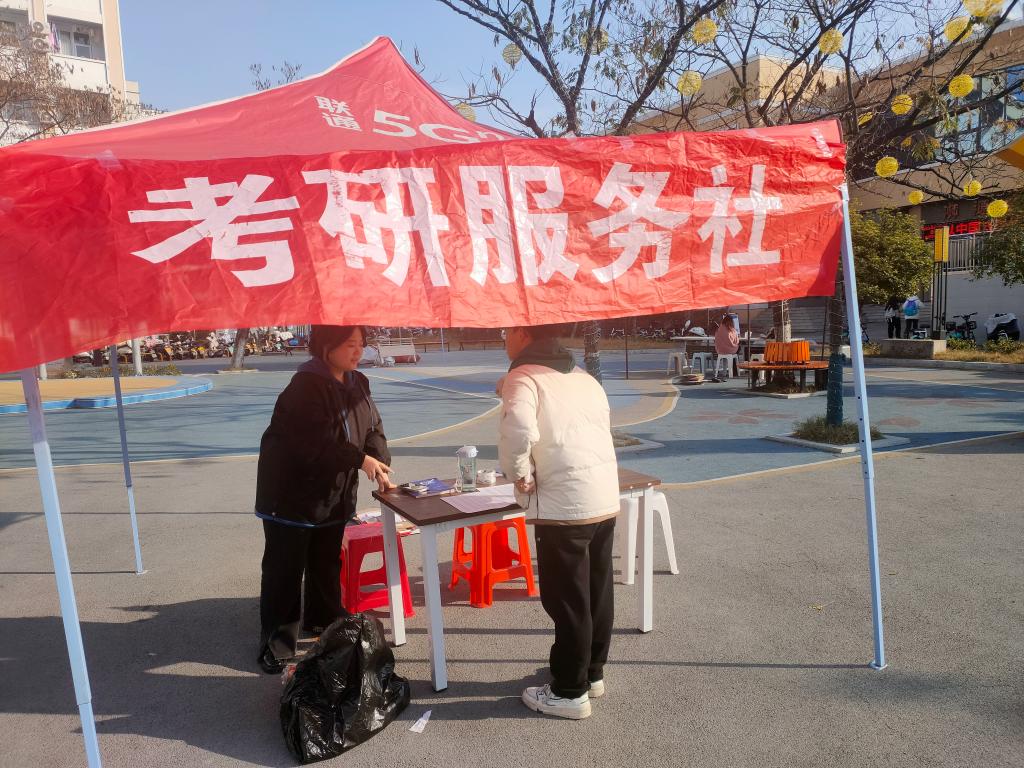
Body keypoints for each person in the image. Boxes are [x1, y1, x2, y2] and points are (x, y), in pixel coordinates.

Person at [254, 325, 393, 674]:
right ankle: (277, 643)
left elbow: (373, 427)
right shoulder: (304, 387)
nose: (358, 351)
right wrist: (361, 460)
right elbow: (316, 440)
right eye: (350, 344)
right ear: (326, 346)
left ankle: (323, 619)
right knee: (285, 569)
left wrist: (379, 461)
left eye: (361, 344)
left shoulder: (358, 382)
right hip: (291, 493)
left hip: (332, 492)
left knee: (326, 561)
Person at [498, 324, 620, 720]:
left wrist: (519, 473)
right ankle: (591, 673)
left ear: (523, 332)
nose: (504, 339)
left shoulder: (524, 376)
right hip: (602, 496)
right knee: (597, 591)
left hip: (564, 504)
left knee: (567, 599)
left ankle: (569, 691)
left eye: (506, 332)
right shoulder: (582, 375)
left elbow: (518, 430)